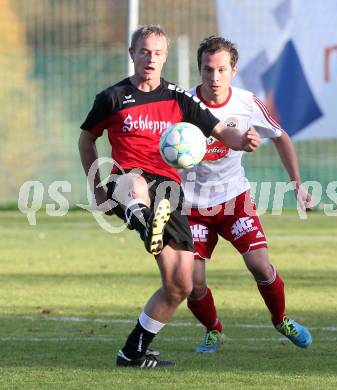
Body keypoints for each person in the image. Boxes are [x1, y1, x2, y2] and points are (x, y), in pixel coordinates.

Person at [78, 26, 260, 368]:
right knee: (134, 183)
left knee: (180, 284)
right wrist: (98, 188)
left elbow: (222, 132)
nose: (150, 58)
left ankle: (132, 353)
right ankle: (144, 220)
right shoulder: (112, 98)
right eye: (144, 51)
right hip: (127, 181)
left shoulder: (179, 98)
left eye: (157, 52)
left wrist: (244, 139)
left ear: (166, 56)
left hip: (170, 192)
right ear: (132, 54)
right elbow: (86, 139)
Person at [179, 36, 313, 353]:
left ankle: (281, 320)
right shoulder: (183, 103)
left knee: (260, 266)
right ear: (199, 69)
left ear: (233, 70)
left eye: (221, 69)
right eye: (207, 70)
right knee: (192, 283)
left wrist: (298, 184)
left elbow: (281, 137)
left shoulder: (246, 103)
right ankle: (213, 330)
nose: (214, 78)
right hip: (192, 206)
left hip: (235, 201)